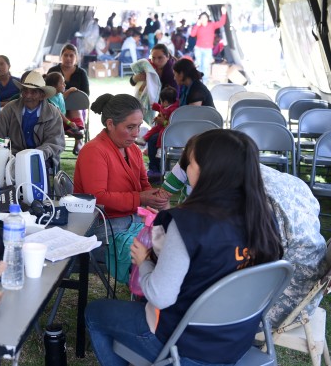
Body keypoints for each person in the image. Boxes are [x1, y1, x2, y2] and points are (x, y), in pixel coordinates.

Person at [86, 129, 284, 365]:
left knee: (95, 312)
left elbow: (160, 296)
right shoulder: (263, 217)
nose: (186, 170)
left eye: (189, 163)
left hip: (185, 344)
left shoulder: (187, 224)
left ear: (205, 170)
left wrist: (144, 262)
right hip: (236, 341)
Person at [158, 144, 328, 328]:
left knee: (176, 289)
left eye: (190, 165)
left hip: (271, 306)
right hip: (306, 295)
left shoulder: (250, 198)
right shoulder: (284, 180)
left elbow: (228, 259)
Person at [74, 94, 168, 261]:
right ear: (110, 124)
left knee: (171, 246)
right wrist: (140, 198)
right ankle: (146, 283)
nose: (136, 134)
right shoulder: (94, 150)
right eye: (130, 127)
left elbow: (143, 184)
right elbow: (97, 198)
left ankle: (151, 283)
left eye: (139, 127)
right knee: (154, 254)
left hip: (130, 221)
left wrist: (153, 198)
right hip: (102, 227)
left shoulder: (132, 150)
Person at [0, 70, 65, 168]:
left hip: (41, 157)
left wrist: (35, 154)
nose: (28, 96)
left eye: (33, 92)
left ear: (42, 96)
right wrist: (4, 150)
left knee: (34, 170)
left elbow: (54, 142)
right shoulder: (10, 108)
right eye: (25, 91)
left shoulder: (52, 113)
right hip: (12, 154)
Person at [48, 44, 89, 154]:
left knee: (75, 108)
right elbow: (48, 90)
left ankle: (77, 139)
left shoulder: (81, 73)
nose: (68, 58)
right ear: (61, 56)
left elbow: (86, 94)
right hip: (55, 105)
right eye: (65, 55)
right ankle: (72, 130)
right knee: (57, 108)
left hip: (76, 108)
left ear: (76, 57)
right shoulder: (53, 70)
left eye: (71, 55)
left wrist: (72, 99)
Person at [190, 6, 227, 82]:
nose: (204, 19)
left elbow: (221, 23)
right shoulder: (198, 26)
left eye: (205, 18)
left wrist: (224, 13)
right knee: (199, 65)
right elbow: (192, 34)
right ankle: (198, 81)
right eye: (202, 18)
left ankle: (205, 82)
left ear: (207, 18)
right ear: (200, 19)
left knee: (206, 66)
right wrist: (197, 25)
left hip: (207, 49)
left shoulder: (211, 25)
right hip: (198, 49)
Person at [44, 72, 84, 141]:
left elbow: (62, 97)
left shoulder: (58, 94)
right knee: (71, 123)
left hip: (62, 121)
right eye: (62, 83)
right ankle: (70, 130)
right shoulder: (50, 98)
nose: (65, 85)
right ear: (54, 86)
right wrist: (68, 122)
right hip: (55, 123)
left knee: (77, 120)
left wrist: (69, 90)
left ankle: (72, 130)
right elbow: (59, 113)